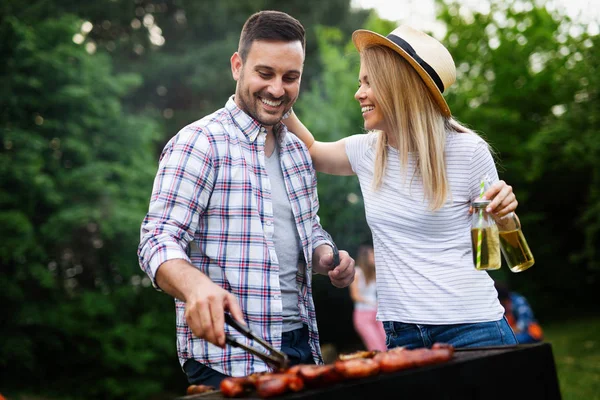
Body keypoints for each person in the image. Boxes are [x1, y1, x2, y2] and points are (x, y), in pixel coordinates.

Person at [137, 10, 356, 388]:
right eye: (265, 73)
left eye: (290, 77)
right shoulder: (200, 143)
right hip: (228, 357)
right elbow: (156, 239)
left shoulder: (298, 154)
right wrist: (195, 287)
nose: (277, 89)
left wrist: (325, 256)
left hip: (301, 348)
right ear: (237, 66)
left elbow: (309, 228)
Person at [283, 25, 521, 349]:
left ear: (399, 87)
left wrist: (505, 217)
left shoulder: (468, 151)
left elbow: (494, 249)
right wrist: (280, 94)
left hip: (473, 328)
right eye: (359, 82)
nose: (359, 93)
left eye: (369, 82)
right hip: (401, 334)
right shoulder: (367, 151)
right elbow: (310, 150)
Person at [349, 243, 387, 351]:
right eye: (372, 255)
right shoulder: (357, 273)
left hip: (377, 314)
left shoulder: (374, 273)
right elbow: (355, 295)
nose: (374, 258)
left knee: (387, 341)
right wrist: (371, 303)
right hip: (363, 314)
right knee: (377, 347)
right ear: (365, 257)